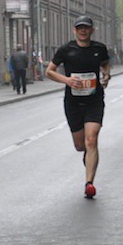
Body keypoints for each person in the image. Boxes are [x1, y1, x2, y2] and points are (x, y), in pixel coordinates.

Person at [45, 15, 111, 198]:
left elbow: (105, 64)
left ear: (92, 30)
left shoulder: (99, 48)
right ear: (74, 30)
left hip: (94, 100)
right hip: (73, 103)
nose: (83, 30)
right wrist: (66, 80)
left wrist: (106, 75)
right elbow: (49, 71)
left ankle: (89, 184)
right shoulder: (66, 50)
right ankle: (87, 155)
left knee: (92, 139)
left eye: (86, 27)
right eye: (80, 27)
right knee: (81, 145)